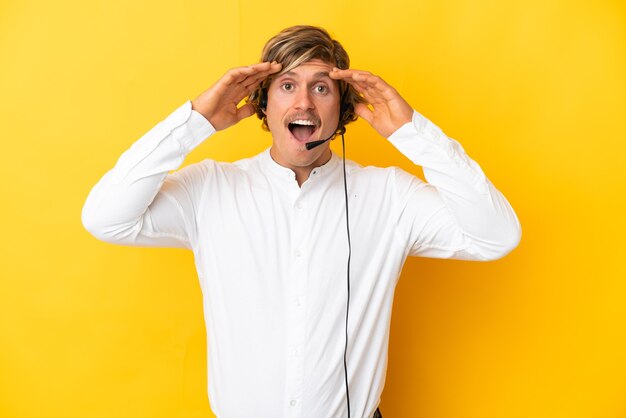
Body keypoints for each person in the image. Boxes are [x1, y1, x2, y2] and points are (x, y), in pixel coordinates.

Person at [82, 25, 521, 418]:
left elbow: (497, 237)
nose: (304, 101)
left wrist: (412, 133)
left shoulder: (391, 196)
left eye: (322, 88)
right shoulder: (209, 190)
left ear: (343, 110)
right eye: (287, 85)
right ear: (263, 106)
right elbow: (105, 218)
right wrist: (194, 122)